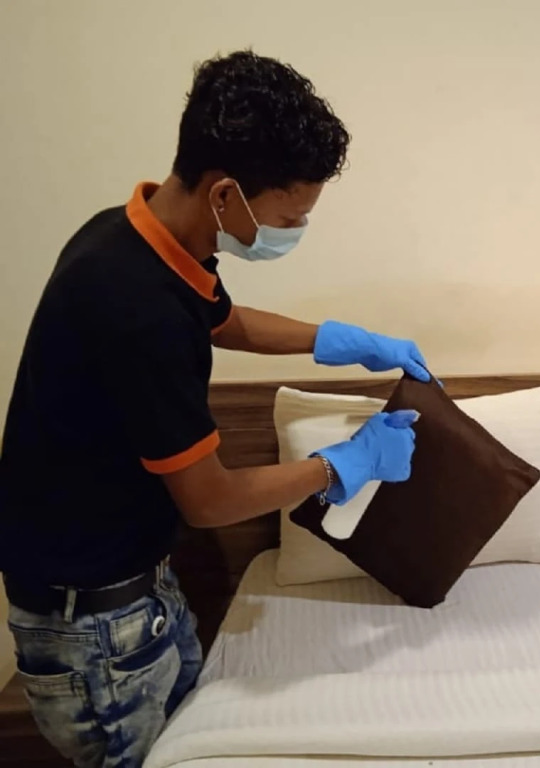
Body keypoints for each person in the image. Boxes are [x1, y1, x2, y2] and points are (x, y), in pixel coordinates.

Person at [0, 50, 426, 767]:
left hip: (136, 585)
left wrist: (341, 340)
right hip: (95, 626)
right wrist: (343, 464)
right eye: (291, 217)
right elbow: (211, 500)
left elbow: (221, 319)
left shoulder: (131, 236)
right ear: (226, 195)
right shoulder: (136, 307)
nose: (296, 230)